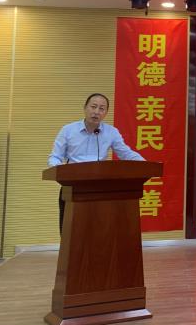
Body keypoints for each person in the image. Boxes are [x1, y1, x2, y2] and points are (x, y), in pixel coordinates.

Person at [47, 93, 145, 232]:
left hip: (100, 189)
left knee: (98, 230)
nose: (96, 112)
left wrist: (145, 164)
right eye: (93, 107)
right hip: (72, 187)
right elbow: (55, 157)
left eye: (101, 108)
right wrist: (62, 171)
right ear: (85, 108)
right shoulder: (68, 130)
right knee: (70, 231)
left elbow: (126, 153)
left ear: (105, 113)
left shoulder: (111, 132)